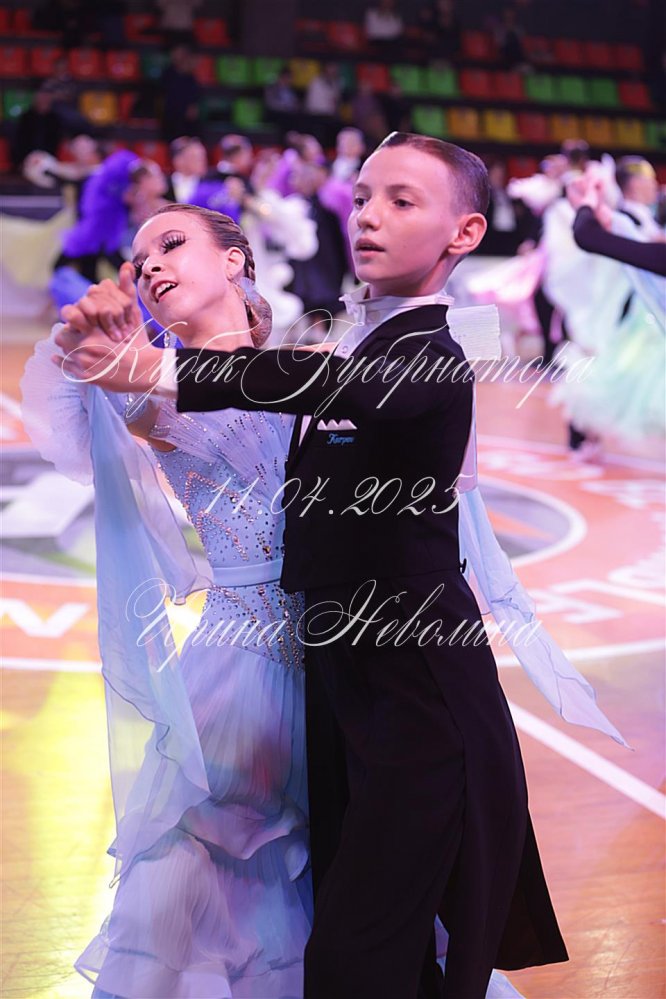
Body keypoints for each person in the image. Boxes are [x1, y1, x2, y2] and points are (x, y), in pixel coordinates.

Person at [57, 136, 625, 998]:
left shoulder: (400, 355)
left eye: (400, 200)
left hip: (402, 697)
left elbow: (333, 387)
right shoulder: (331, 352)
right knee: (273, 898)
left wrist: (162, 364)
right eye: (360, 198)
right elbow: (293, 388)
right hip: (294, 675)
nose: (367, 216)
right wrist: (118, 363)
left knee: (362, 943)